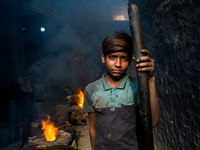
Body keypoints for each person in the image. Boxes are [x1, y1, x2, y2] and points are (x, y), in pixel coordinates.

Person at [83, 31, 160, 150]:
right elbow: (93, 128)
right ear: (103, 58)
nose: (118, 64)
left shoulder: (137, 87)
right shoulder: (91, 89)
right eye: (112, 57)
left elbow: (153, 122)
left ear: (130, 61)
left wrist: (150, 79)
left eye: (124, 58)